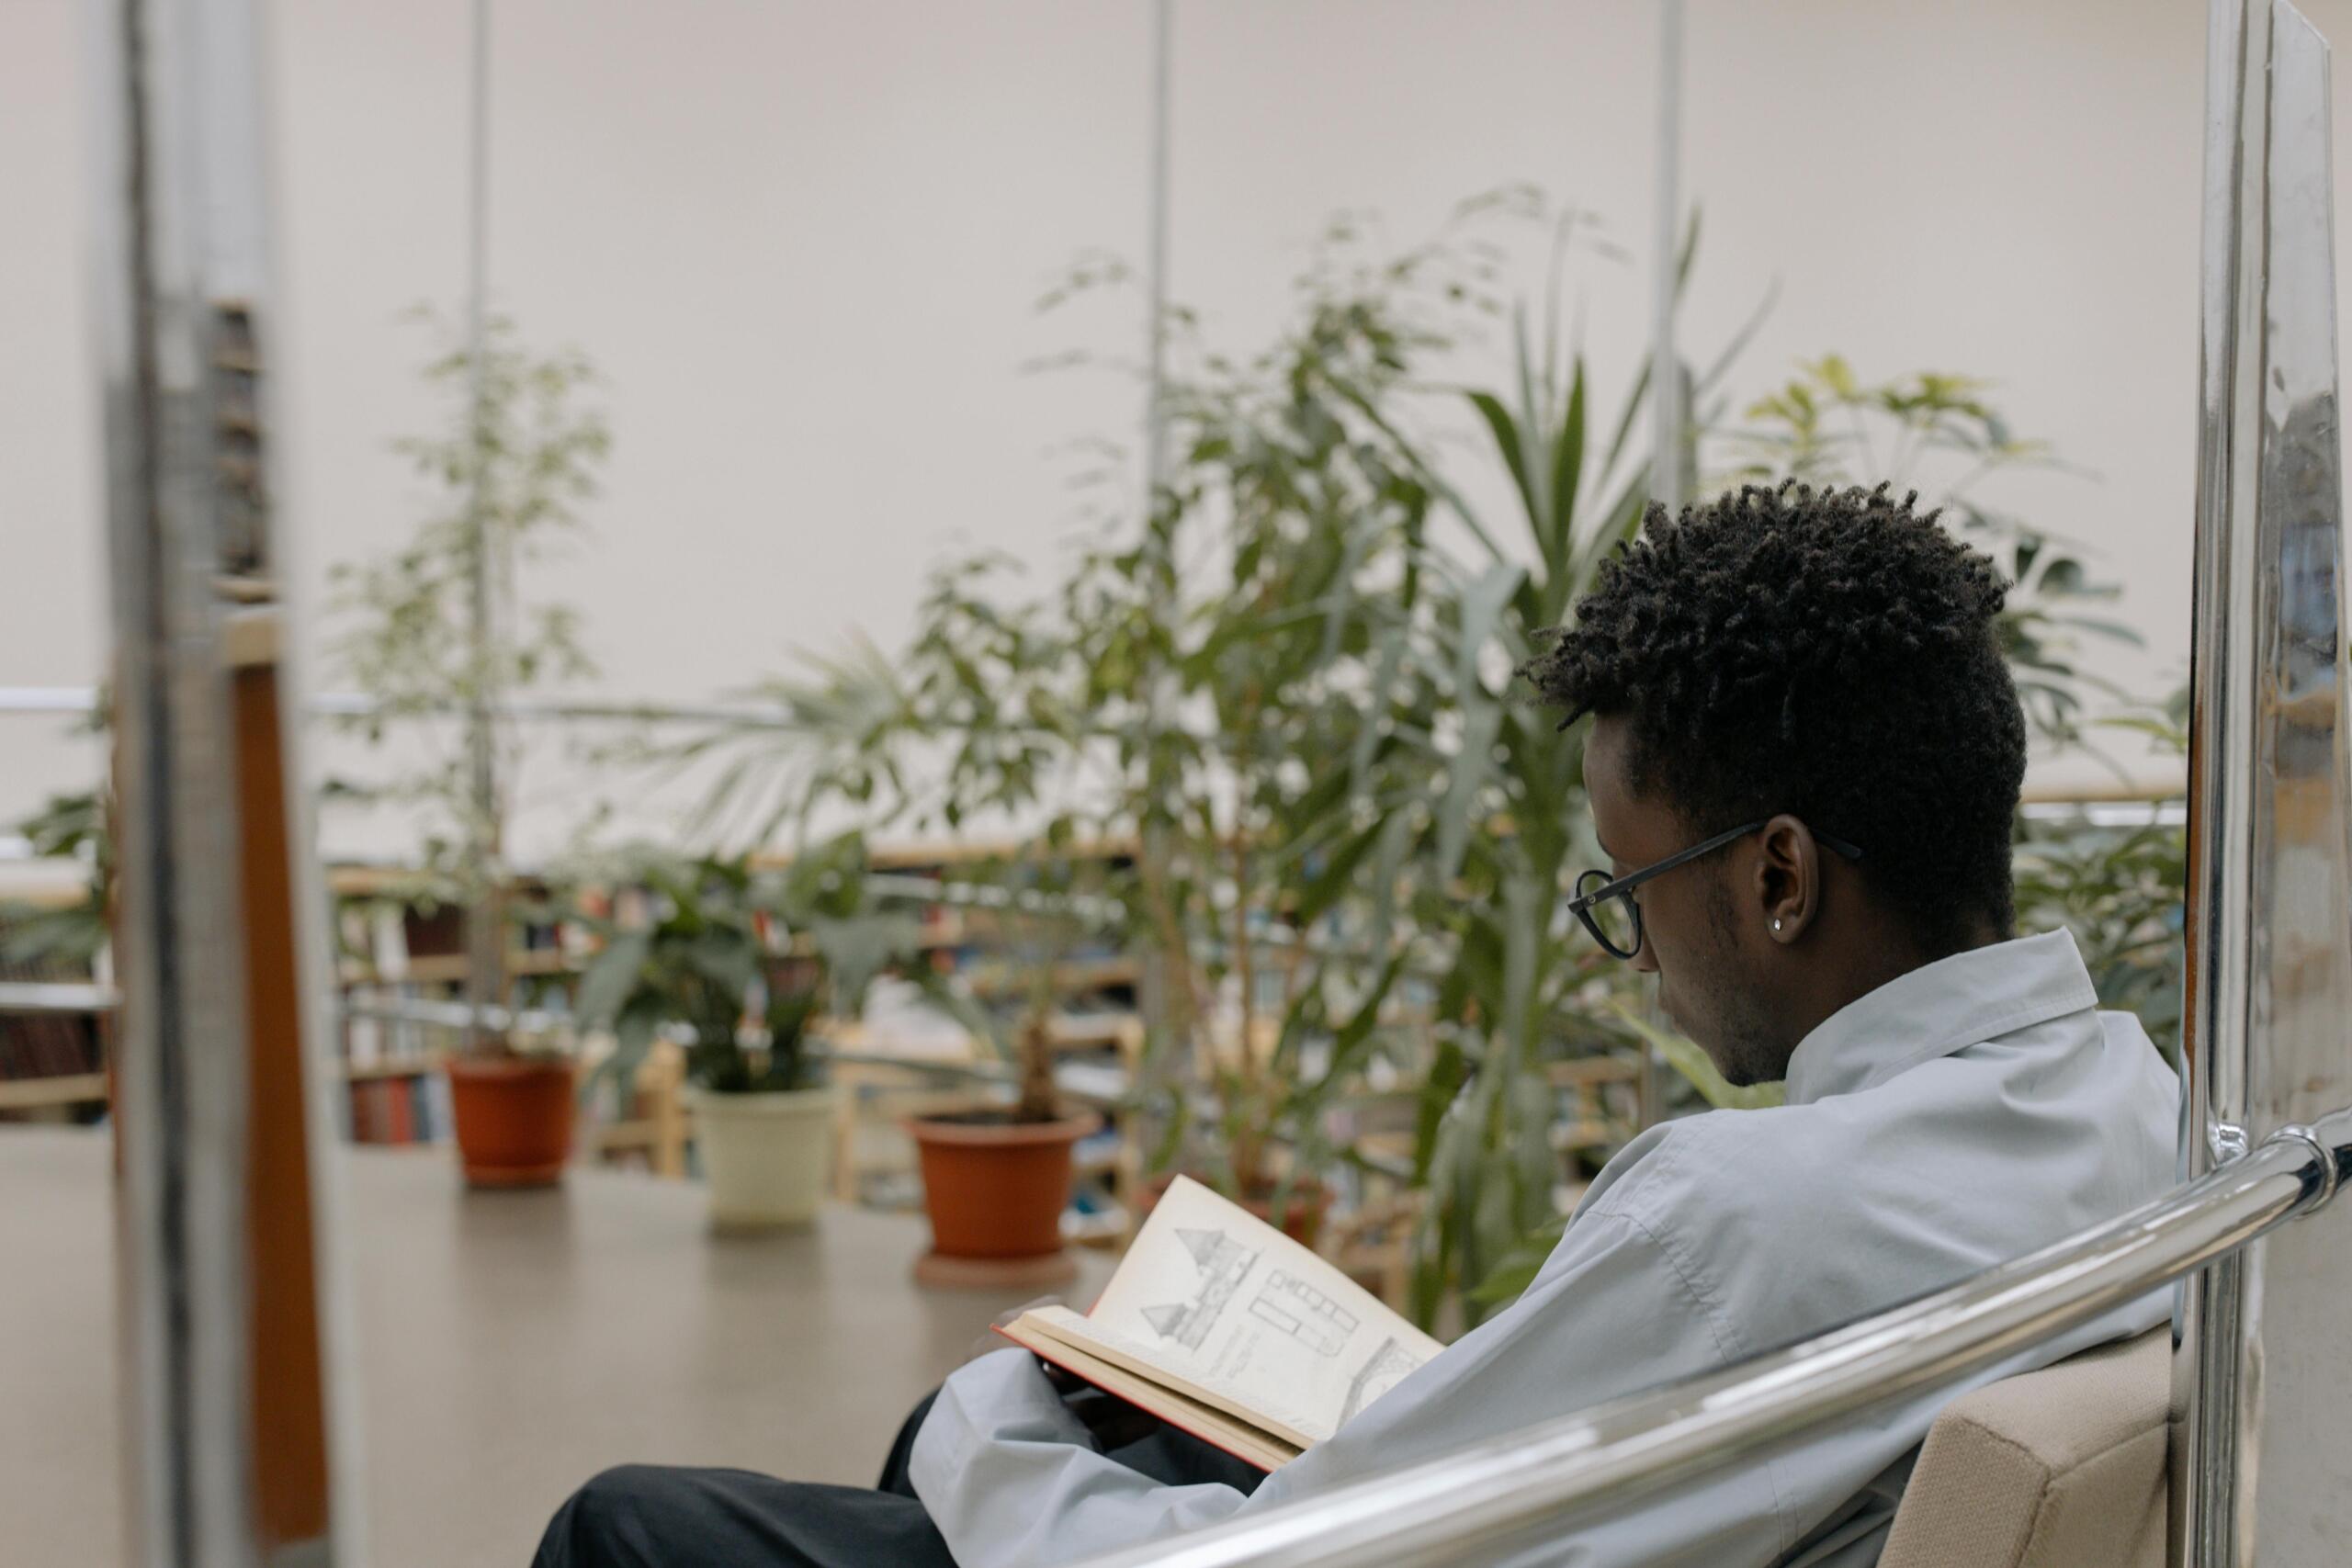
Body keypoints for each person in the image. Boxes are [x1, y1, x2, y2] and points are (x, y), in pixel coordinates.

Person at [535, 481, 2179, 1568]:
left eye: (1631, 889)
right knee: (1081, 1430)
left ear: (1779, 879)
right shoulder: (2141, 1111)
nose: (1637, 963)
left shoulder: (1736, 1219)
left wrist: (989, 1425)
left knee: (646, 1523)